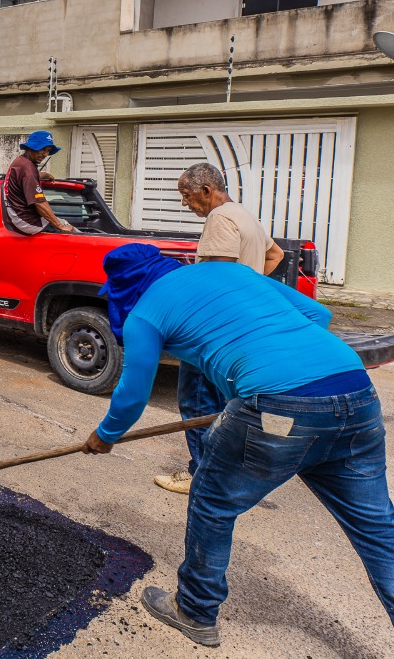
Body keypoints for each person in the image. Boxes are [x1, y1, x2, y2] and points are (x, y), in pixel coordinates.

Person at [82, 243, 394, 648]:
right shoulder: (233, 273)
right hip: (356, 392)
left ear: (125, 287)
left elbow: (132, 394)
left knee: (212, 500)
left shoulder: (146, 312)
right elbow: (318, 314)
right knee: (378, 530)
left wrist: (104, 436)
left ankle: (194, 610)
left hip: (279, 407)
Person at [155, 162, 287, 495]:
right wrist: (250, 293)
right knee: (223, 404)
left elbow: (217, 280)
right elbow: (276, 254)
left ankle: (202, 476)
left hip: (212, 332)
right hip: (237, 329)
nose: (185, 203)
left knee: (198, 403)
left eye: (186, 196)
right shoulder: (242, 214)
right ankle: (226, 470)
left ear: (206, 190)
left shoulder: (219, 218)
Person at [4, 130, 76, 235]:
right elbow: (39, 202)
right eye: (42, 149)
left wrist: (45, 175)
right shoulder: (28, 169)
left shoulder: (21, 162)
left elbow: (27, 177)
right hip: (26, 221)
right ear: (31, 147)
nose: (45, 154)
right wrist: (59, 225)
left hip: (16, 216)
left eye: (48, 150)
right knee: (71, 229)